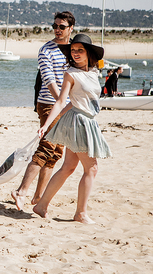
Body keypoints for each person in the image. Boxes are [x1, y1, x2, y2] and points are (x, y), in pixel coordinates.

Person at [33, 34, 112, 224]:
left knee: (68, 167)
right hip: (79, 123)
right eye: (73, 50)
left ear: (88, 54)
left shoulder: (93, 73)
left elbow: (76, 101)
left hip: (87, 121)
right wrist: (46, 125)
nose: (75, 53)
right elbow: (61, 101)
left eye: (80, 50)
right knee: (91, 168)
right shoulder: (71, 73)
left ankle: (41, 206)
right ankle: (81, 214)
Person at [11, 11, 74, 211]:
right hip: (49, 104)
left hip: (68, 106)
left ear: (71, 28)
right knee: (47, 146)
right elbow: (49, 80)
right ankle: (21, 192)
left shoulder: (75, 49)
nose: (57, 30)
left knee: (56, 153)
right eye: (55, 26)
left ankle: (39, 195)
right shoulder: (46, 50)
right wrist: (60, 102)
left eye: (62, 26)